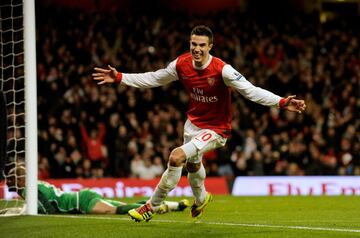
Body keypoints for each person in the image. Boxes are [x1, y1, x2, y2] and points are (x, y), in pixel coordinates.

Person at [92, 25, 306, 222]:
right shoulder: (181, 64)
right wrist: (120, 77)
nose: (197, 49)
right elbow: (154, 78)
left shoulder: (223, 70)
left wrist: (282, 102)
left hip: (216, 129)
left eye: (202, 45)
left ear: (210, 46)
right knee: (193, 165)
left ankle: (152, 206)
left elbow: (251, 91)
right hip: (192, 124)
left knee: (176, 157)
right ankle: (201, 197)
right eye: (193, 44)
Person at [3, 166, 189, 215]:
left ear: (19, 179)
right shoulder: (33, 186)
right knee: (125, 206)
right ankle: (171, 205)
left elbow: (48, 211)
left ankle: (158, 207)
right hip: (81, 198)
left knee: (118, 210)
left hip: (81, 202)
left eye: (11, 178)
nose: (7, 181)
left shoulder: (30, 189)